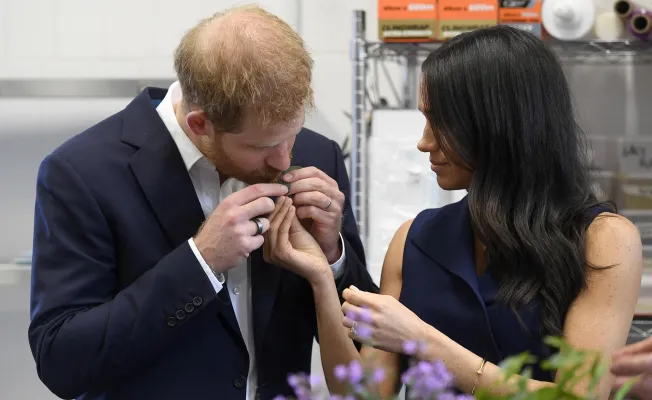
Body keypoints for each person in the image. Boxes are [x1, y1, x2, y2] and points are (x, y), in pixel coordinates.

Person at [264, 25, 643, 399]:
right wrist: (320, 276)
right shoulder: (414, 241)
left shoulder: (603, 240)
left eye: (441, 123)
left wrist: (422, 341)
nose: (424, 142)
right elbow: (361, 394)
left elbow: (578, 397)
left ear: (498, 124)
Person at [27, 5, 377, 400]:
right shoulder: (82, 173)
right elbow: (62, 363)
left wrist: (333, 256)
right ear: (200, 124)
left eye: (292, 133)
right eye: (262, 146)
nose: (284, 161)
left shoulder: (319, 155)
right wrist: (200, 263)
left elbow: (373, 352)